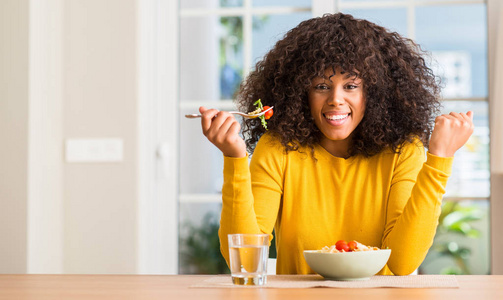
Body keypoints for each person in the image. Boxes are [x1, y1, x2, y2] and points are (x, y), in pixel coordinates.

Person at [197, 13, 474, 275]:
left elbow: (402, 262)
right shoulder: (278, 148)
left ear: (374, 92)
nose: (335, 100)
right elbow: (245, 262)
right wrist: (234, 158)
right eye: (321, 86)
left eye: (351, 86)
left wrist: (439, 158)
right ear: (300, 93)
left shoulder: (402, 150)